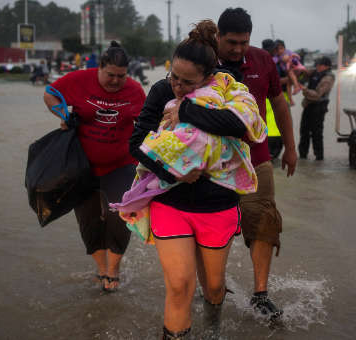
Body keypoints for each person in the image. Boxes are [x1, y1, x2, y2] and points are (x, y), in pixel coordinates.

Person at [129, 20, 263, 339]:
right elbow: (136, 143)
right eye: (174, 76)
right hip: (170, 201)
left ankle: (213, 325)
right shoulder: (161, 90)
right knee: (178, 286)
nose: (177, 86)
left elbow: (237, 124)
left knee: (214, 287)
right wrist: (173, 171)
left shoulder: (230, 89)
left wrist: (187, 111)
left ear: (209, 76)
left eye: (187, 82)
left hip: (217, 203)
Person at [43, 41, 145, 292]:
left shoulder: (135, 91)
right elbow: (49, 93)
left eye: (121, 76)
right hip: (83, 165)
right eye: (110, 75)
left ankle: (114, 269)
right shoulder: (79, 80)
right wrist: (64, 117)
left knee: (121, 216)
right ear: (99, 68)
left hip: (122, 164)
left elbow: (147, 123)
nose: (115, 81)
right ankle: (101, 268)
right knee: (88, 220)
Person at [215, 7, 297, 320]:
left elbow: (279, 103)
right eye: (231, 42)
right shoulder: (203, 59)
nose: (238, 49)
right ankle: (213, 288)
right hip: (211, 164)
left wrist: (290, 147)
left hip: (256, 159)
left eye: (243, 42)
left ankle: (261, 294)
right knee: (213, 227)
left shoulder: (262, 60)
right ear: (219, 37)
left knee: (264, 221)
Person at [297, 56, 335, 160]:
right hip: (309, 105)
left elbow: (318, 94)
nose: (317, 66)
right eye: (317, 64)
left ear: (326, 66)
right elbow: (303, 74)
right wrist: (300, 71)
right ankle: (302, 156)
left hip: (319, 107)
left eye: (319, 64)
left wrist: (305, 90)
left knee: (316, 133)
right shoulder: (315, 72)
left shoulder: (328, 77)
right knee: (304, 131)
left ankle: (319, 158)